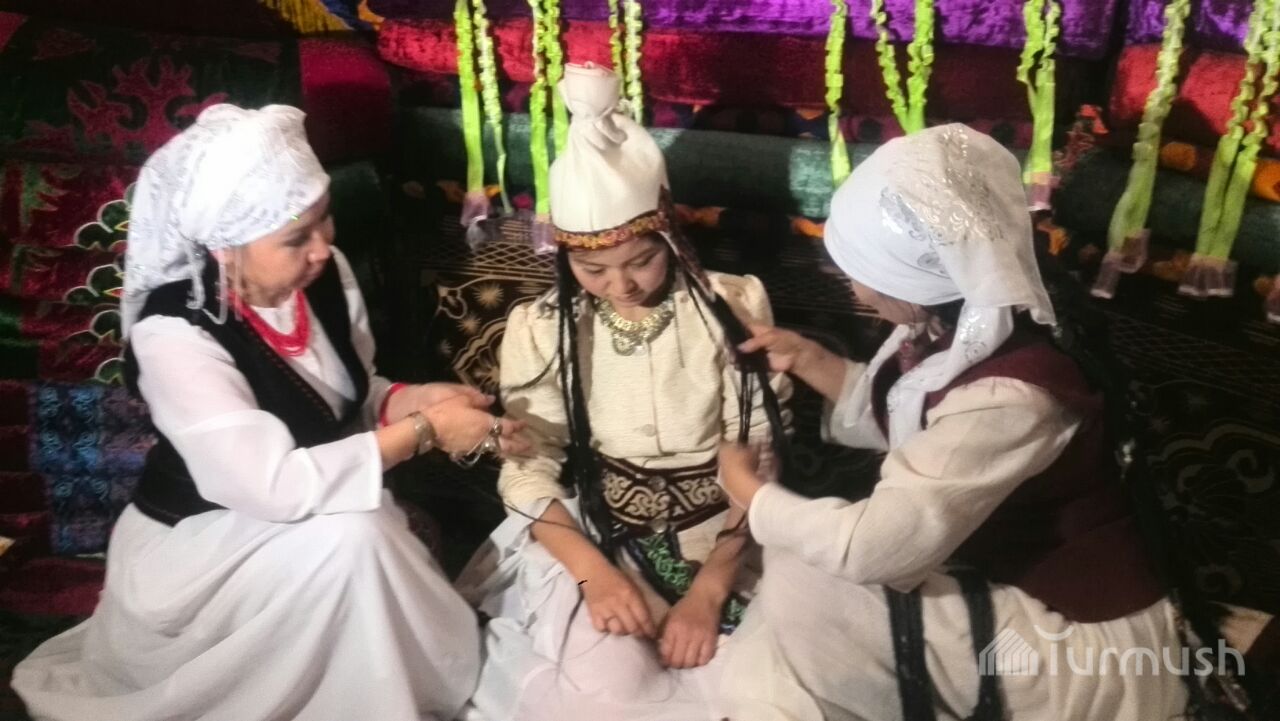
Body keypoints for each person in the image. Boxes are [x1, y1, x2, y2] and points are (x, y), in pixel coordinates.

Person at [12, 104, 527, 721]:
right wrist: (424, 432)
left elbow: (349, 395)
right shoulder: (174, 335)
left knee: (354, 533)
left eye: (324, 217)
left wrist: (410, 400)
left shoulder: (325, 276)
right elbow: (271, 486)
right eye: (295, 237)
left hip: (313, 510)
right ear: (226, 247)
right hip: (204, 545)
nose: (322, 247)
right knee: (352, 539)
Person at [716, 125, 1196, 721]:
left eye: (859, 268)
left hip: (1077, 640)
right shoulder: (960, 324)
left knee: (803, 579)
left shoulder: (1010, 397)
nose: (850, 285)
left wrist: (749, 492)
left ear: (912, 278)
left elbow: (872, 550)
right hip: (1005, 579)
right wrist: (808, 358)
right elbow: (924, 424)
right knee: (783, 619)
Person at [455, 64, 790, 721]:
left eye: (642, 260)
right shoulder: (543, 327)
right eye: (593, 269)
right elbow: (528, 469)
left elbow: (760, 455)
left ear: (670, 233)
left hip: (729, 539)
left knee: (753, 691)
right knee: (608, 694)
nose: (622, 286)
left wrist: (709, 591)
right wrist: (595, 574)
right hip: (600, 538)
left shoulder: (730, 307)